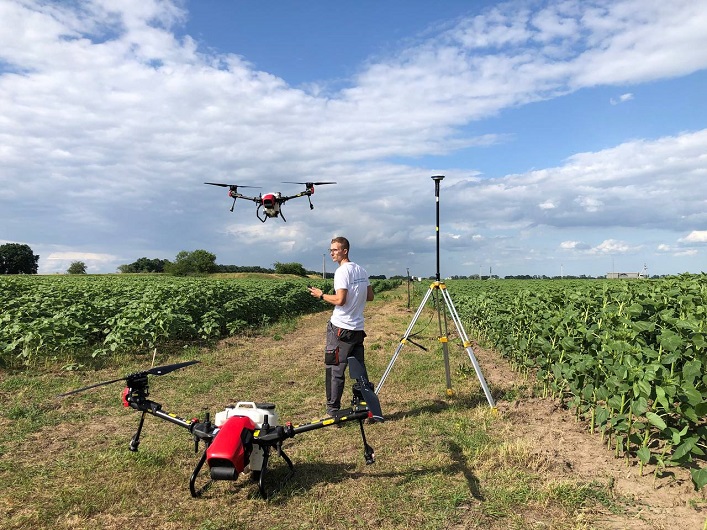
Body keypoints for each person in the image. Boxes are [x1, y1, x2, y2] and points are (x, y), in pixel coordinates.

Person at [308, 236, 374, 417]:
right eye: (330, 250)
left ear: (345, 251)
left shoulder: (341, 272)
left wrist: (321, 295)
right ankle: (367, 408)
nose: (332, 253)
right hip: (357, 329)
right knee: (359, 371)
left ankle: (333, 411)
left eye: (335, 250)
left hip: (340, 329)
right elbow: (370, 296)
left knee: (335, 369)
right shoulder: (361, 270)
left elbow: (340, 300)